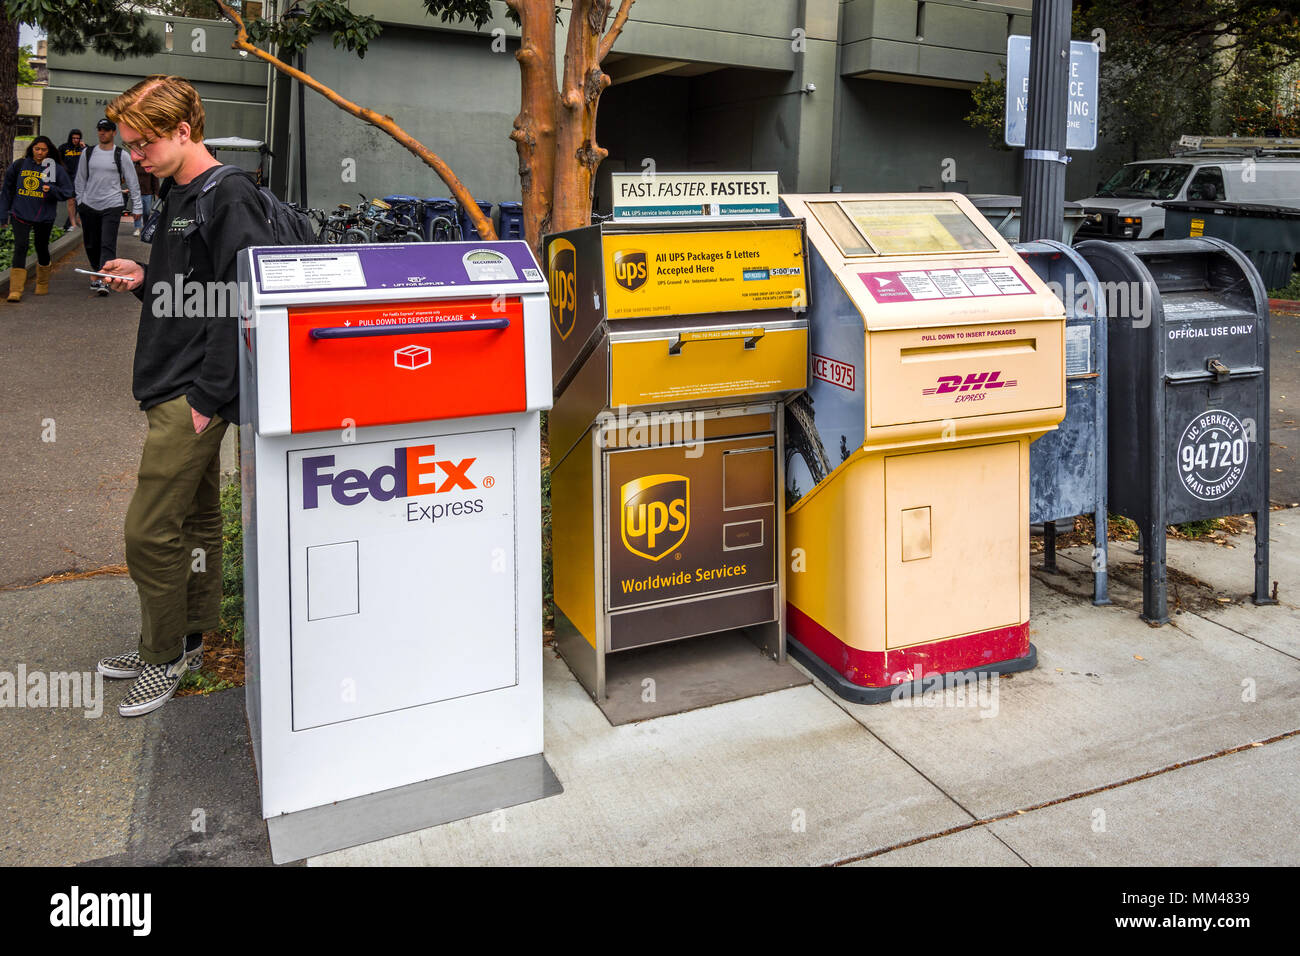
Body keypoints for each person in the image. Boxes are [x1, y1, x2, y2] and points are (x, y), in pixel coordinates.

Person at [96, 75, 278, 718]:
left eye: (143, 143)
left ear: (183, 131)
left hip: (192, 393)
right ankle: (193, 638)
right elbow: (198, 290)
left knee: (148, 531)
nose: (136, 155)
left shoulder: (228, 194)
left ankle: (162, 653)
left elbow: (246, 304)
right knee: (197, 518)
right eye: (129, 144)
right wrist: (146, 277)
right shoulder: (177, 191)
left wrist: (210, 396)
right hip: (175, 381)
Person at [0, 135, 75, 301]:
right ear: (32, 149)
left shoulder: (55, 169)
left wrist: (53, 190)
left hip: (44, 217)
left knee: (41, 248)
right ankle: (15, 290)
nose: (40, 152)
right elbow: (6, 191)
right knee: (21, 246)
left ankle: (42, 282)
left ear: (49, 151)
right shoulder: (20, 165)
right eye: (37, 149)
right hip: (20, 214)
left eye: (43, 150)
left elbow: (68, 192)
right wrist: (3, 215)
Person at [75, 117, 141, 295]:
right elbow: (80, 179)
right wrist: (80, 202)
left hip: (112, 204)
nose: (102, 132)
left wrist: (138, 207)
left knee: (107, 243)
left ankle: (104, 279)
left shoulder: (121, 155)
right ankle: (97, 270)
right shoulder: (88, 153)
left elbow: (132, 181)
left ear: (113, 132)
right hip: (89, 205)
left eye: (106, 129)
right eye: (99, 129)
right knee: (91, 244)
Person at [57, 129, 84, 229]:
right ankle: (72, 224)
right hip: (68, 178)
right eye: (74, 138)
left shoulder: (83, 148)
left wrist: (84, 147)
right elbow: (58, 160)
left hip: (81, 178)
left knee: (82, 201)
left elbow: (91, 156)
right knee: (71, 201)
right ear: (70, 138)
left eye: (78, 138)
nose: (76, 140)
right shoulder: (63, 148)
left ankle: (79, 220)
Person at [132, 158, 159, 237]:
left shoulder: (150, 166)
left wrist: (157, 191)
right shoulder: (135, 166)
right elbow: (131, 179)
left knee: (146, 211)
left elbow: (155, 179)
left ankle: (145, 226)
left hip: (148, 192)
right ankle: (137, 228)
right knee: (137, 211)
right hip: (137, 193)